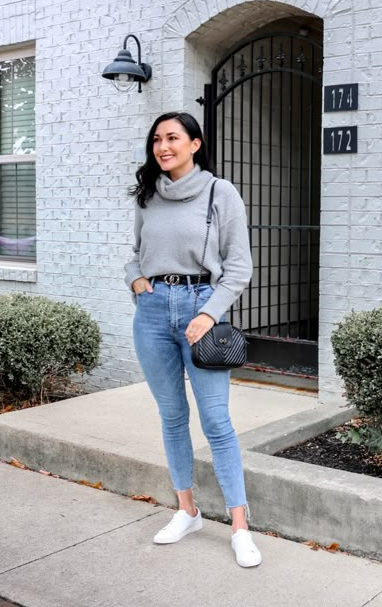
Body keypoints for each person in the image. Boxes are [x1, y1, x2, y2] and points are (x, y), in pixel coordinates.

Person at [124, 111, 262, 568]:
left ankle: (240, 526)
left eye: (173, 138)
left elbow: (239, 267)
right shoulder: (148, 195)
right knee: (171, 416)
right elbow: (136, 253)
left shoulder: (219, 193)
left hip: (200, 306)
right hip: (151, 313)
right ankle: (187, 511)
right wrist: (137, 281)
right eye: (157, 139)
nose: (163, 146)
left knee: (217, 421)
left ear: (195, 144)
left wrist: (207, 313)